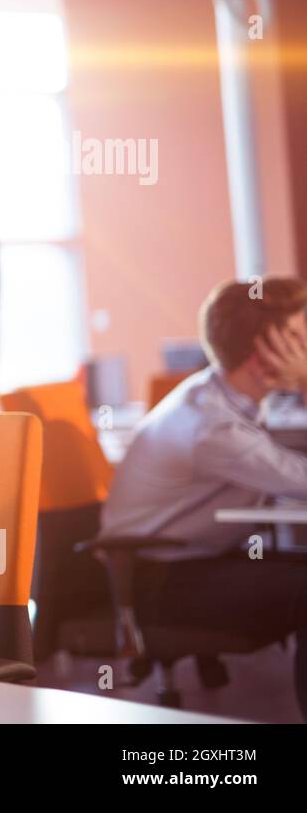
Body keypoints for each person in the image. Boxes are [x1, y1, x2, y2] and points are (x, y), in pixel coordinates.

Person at [100, 277, 307, 719]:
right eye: (298, 337)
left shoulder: (224, 398)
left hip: (189, 563)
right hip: (161, 581)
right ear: (266, 350)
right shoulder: (213, 427)